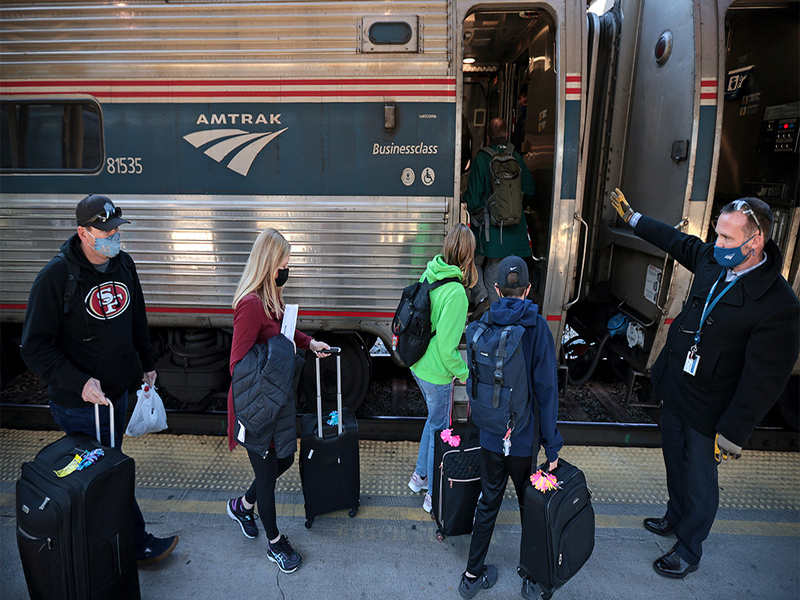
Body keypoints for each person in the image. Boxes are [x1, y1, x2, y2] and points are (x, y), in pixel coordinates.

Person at [610, 189, 800, 578]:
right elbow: (678, 242)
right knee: (672, 460)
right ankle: (674, 517)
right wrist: (633, 219)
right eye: (718, 235)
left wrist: (733, 431)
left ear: (756, 240)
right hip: (679, 387)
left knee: (700, 479)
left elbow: (765, 377)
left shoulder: (779, 304)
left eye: (728, 238)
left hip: (712, 407)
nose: (719, 244)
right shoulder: (713, 259)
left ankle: (689, 548)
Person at [20, 194, 179, 566]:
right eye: (104, 231)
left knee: (107, 471)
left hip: (117, 397)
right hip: (82, 405)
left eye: (115, 229)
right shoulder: (55, 278)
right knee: (107, 477)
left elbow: (136, 318)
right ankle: (131, 545)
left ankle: (110, 544)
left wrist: (146, 362)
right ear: (82, 233)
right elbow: (34, 348)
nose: (112, 236)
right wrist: (79, 383)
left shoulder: (123, 264)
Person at [224, 228, 331, 574]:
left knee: (284, 459)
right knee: (268, 474)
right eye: (284, 262)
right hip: (256, 406)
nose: (288, 268)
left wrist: (308, 343)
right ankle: (275, 544)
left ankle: (242, 505)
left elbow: (282, 332)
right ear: (269, 263)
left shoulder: (270, 296)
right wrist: (278, 357)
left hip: (276, 400)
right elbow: (237, 364)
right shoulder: (250, 305)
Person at [458, 255, 563, 600]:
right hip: (521, 441)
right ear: (528, 289)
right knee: (529, 507)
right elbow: (546, 393)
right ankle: (533, 580)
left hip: (490, 434)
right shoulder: (537, 330)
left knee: (488, 501)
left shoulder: (485, 323)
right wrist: (552, 447)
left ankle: (472, 576)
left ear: (498, 289)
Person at [407, 223, 478, 513]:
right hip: (437, 373)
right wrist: (466, 375)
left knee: (433, 421)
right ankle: (433, 497)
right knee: (441, 429)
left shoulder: (431, 271)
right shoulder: (457, 294)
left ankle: (419, 477)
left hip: (418, 363)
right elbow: (450, 352)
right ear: (468, 255)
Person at [462, 117, 537, 319]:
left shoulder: (481, 159)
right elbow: (530, 190)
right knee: (499, 273)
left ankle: (485, 303)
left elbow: (473, 198)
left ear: (487, 136)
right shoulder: (517, 158)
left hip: (492, 235)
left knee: (471, 262)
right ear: (506, 134)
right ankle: (496, 314)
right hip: (516, 235)